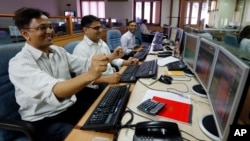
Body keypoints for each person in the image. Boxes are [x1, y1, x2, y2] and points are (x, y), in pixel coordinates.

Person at [9, 7, 123, 141]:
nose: (50, 31)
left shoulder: (58, 51)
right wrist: (91, 74)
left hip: (69, 107)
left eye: (50, 26)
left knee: (112, 116)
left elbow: (86, 63)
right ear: (25, 34)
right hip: (45, 119)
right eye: (42, 28)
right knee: (86, 138)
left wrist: (111, 57)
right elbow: (56, 91)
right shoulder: (19, 63)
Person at [73, 15, 139, 89]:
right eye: (96, 28)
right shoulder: (80, 49)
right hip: (97, 86)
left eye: (100, 27)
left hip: (111, 76)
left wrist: (127, 62)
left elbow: (111, 59)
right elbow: (82, 79)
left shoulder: (101, 43)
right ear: (85, 30)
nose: (100, 30)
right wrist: (106, 79)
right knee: (130, 91)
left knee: (136, 81)